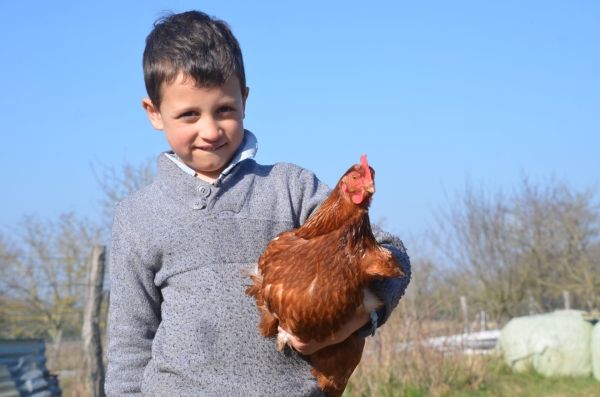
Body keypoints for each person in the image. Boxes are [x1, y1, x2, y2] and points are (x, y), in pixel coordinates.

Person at [105, 10, 411, 397]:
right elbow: (130, 343)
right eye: (189, 115)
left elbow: (392, 259)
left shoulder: (289, 187)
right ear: (154, 113)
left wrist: (354, 322)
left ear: (244, 101)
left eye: (225, 110)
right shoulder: (137, 216)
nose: (210, 130)